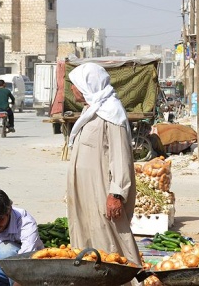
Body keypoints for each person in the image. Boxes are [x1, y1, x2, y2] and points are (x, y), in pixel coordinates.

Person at [66, 63, 142, 285]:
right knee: (86, 236)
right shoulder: (92, 111)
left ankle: (129, 279)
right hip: (85, 191)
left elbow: (121, 157)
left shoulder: (111, 114)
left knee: (110, 238)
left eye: (76, 85)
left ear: (89, 85)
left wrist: (116, 194)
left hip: (102, 191)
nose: (73, 89)